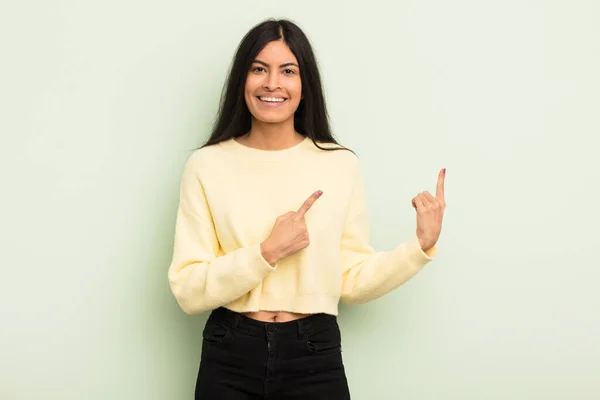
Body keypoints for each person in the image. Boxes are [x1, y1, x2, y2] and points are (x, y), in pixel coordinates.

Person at [167, 18, 446, 400]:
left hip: (314, 352)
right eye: (258, 69)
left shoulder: (339, 164)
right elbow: (187, 290)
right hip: (229, 351)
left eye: (288, 71)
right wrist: (267, 252)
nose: (272, 83)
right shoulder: (207, 165)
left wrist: (419, 246)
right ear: (242, 80)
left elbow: (350, 280)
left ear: (304, 85)